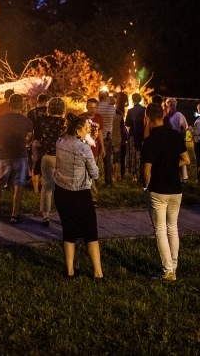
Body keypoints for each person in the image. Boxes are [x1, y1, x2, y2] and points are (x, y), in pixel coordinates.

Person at [142, 102, 191, 281]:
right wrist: (171, 165)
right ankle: (174, 266)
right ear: (163, 116)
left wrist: (144, 186)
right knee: (173, 228)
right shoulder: (175, 136)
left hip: (158, 189)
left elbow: (147, 171)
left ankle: (167, 271)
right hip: (175, 189)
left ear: (148, 118)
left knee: (160, 230)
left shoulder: (149, 141)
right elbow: (186, 160)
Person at [54, 114, 104, 280]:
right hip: (80, 193)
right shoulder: (83, 148)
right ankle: (98, 273)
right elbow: (95, 173)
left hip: (61, 191)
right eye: (86, 129)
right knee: (90, 232)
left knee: (68, 230)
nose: (87, 132)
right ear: (78, 129)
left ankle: (69, 271)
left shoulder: (60, 142)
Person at [0, 94, 33, 223]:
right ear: (22, 105)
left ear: (9, 104)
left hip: (5, 155)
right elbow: (29, 138)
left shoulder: (1, 119)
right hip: (21, 154)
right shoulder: (27, 121)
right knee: (18, 185)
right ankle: (14, 215)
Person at [39, 97, 66, 226]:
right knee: (62, 188)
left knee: (47, 186)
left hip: (47, 156)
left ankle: (45, 215)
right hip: (62, 157)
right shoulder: (64, 123)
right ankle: (63, 213)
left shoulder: (43, 122)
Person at [28, 93, 50, 194]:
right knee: (47, 164)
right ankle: (45, 187)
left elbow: (29, 129)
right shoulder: (49, 112)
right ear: (47, 101)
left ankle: (36, 189)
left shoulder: (31, 113)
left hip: (35, 140)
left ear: (38, 101)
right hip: (47, 141)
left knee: (35, 165)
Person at [96, 89, 117, 186]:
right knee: (107, 160)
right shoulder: (112, 108)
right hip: (107, 136)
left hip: (95, 137)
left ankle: (93, 181)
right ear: (107, 97)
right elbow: (113, 120)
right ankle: (108, 182)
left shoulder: (95, 107)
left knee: (94, 159)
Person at [125, 93, 146, 180]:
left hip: (133, 135)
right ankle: (141, 172)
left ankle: (134, 175)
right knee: (140, 154)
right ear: (140, 100)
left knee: (133, 154)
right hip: (142, 135)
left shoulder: (130, 111)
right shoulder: (144, 109)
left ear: (132, 100)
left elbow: (127, 124)